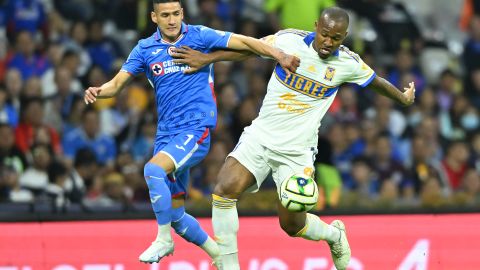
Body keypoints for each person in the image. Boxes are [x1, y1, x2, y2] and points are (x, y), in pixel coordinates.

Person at [172, 7, 416, 270]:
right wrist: (209, 59)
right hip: (261, 136)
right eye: (324, 34)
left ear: (344, 37)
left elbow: (375, 81)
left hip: (298, 150)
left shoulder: (348, 63)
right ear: (316, 26)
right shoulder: (289, 40)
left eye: (335, 38)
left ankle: (334, 235)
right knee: (224, 190)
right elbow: (250, 49)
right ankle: (228, 266)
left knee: (291, 225)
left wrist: (401, 98)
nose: (328, 42)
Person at [83, 0, 299, 267]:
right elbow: (116, 85)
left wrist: (279, 55)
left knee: (152, 171)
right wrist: (98, 91)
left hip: (195, 128)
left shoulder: (199, 35)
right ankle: (218, 256)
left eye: (175, 13)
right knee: (175, 216)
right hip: (166, 134)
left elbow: (245, 42)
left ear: (182, 13)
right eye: (165, 15)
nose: (172, 20)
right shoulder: (145, 49)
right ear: (154, 17)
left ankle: (163, 240)